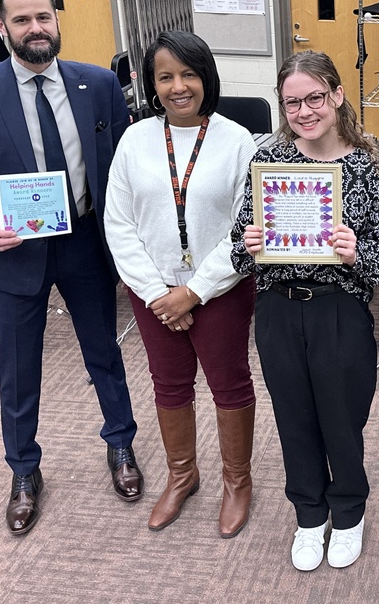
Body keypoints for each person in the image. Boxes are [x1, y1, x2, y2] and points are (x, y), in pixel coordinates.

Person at [0, 0, 142, 536]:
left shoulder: (98, 85)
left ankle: (121, 445)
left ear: (57, 20)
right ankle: (24, 471)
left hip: (83, 242)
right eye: (22, 20)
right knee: (18, 367)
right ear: (2, 27)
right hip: (13, 251)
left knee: (104, 352)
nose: (35, 29)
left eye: (44, 17)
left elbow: (124, 170)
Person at [231, 51, 379, 572]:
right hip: (278, 311)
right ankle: (309, 514)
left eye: (315, 98)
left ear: (337, 96)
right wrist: (251, 243)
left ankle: (348, 512)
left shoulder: (369, 168)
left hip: (338, 312)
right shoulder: (270, 163)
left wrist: (355, 252)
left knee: (342, 417)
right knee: (293, 417)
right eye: (293, 102)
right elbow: (237, 249)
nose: (305, 111)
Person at [104, 31, 257, 537]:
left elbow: (244, 228)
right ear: (152, 84)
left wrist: (193, 291)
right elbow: (119, 223)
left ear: (206, 77)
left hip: (219, 290)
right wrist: (156, 293)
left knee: (229, 386)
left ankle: (237, 483)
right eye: (165, 76)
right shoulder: (134, 139)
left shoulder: (236, 140)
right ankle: (182, 476)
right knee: (169, 385)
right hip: (152, 293)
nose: (177, 86)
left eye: (188, 74)